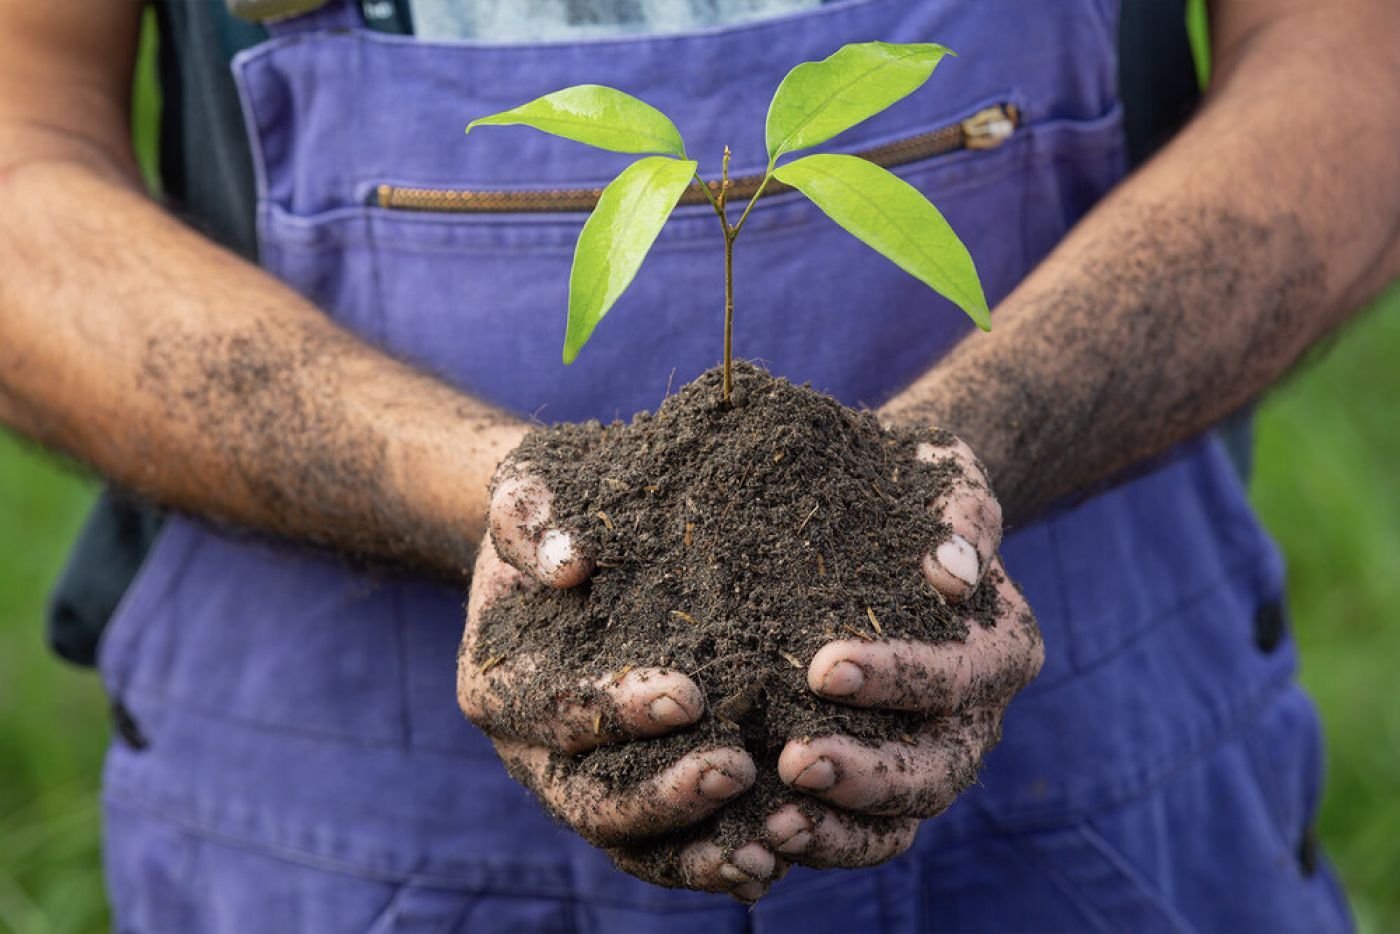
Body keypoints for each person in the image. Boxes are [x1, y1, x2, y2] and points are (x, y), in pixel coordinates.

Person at [1, 0, 1396, 929]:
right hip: (336, 793)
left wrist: (981, 441)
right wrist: (467, 484)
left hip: (1094, 768)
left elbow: (1358, 65)